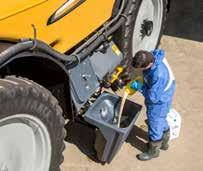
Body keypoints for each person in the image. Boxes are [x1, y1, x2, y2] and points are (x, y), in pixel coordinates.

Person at [129, 49, 176, 161]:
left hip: (159, 100)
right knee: (160, 120)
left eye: (142, 69)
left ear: (150, 64)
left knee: (154, 123)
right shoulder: (152, 55)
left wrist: (139, 87)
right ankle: (164, 142)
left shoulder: (159, 75)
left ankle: (153, 150)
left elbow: (153, 98)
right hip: (166, 92)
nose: (140, 71)